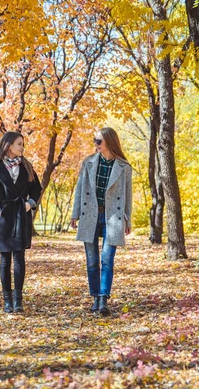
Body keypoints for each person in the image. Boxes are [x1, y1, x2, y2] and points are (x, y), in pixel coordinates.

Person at [70, 127, 132, 316]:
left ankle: (103, 298)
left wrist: (127, 219)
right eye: (94, 141)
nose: (95, 144)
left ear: (109, 142)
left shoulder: (124, 167)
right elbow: (80, 189)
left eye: (98, 141)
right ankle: (95, 297)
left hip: (112, 217)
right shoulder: (88, 163)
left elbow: (127, 195)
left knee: (107, 259)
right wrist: (75, 214)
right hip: (90, 214)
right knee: (91, 260)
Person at [0, 132, 42, 313]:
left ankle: (18, 300)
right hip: (4, 217)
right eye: (19, 144)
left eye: (22, 144)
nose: (22, 147)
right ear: (9, 146)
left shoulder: (27, 166)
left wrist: (30, 204)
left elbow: (36, 189)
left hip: (21, 216)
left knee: (20, 257)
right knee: (5, 258)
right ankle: (7, 299)